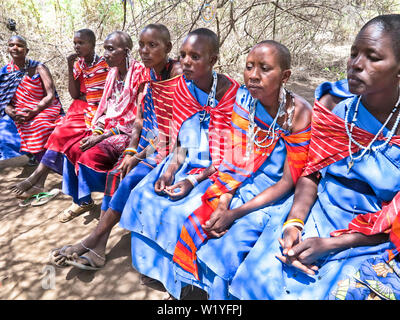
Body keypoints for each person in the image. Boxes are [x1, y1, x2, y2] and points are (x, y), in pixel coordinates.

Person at [228, 14, 400, 300]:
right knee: (261, 271)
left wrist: (332, 245)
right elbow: (311, 173)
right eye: (354, 53)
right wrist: (294, 223)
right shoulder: (338, 113)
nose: (356, 64)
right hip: (318, 211)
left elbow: (395, 222)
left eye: (373, 57)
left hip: (372, 235)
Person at [171, 40, 313, 299]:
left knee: (227, 247)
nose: (253, 76)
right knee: (195, 223)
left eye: (264, 69)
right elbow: (234, 158)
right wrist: (224, 204)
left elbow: (288, 181)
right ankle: (187, 291)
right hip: (238, 181)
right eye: (249, 67)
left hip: (273, 195)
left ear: (285, 76)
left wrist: (235, 213)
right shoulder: (244, 100)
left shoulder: (298, 113)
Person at [118, 28, 240, 299]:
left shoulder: (232, 95)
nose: (185, 61)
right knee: (144, 195)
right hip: (185, 162)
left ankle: (186, 284)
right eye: (183, 55)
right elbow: (181, 141)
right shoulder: (183, 88)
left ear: (213, 59)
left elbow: (231, 156)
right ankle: (156, 271)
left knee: (182, 211)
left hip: (217, 170)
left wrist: (192, 180)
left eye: (195, 56)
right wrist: (171, 170)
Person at [49, 24, 182, 269]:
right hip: (150, 140)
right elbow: (141, 119)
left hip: (174, 145)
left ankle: (93, 240)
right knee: (116, 172)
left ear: (168, 48)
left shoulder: (177, 75)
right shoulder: (150, 74)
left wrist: (140, 154)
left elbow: (175, 132)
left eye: (152, 45)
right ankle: (99, 245)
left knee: (129, 176)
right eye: (142, 45)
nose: (144, 51)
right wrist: (132, 151)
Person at [9, 29, 109, 202]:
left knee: (60, 133)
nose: (77, 46)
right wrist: (70, 67)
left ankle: (37, 178)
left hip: (98, 109)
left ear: (92, 44)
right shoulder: (79, 65)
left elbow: (108, 94)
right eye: (75, 43)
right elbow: (74, 94)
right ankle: (40, 181)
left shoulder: (104, 65)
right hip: (79, 106)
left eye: (81, 43)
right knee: (58, 132)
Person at [58, 31, 146, 221]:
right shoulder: (112, 73)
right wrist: (98, 131)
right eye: (105, 48)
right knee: (71, 150)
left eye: (111, 49)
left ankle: (114, 201)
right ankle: (82, 200)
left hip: (128, 133)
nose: (106, 53)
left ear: (126, 52)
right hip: (108, 128)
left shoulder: (140, 74)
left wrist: (102, 136)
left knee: (89, 157)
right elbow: (105, 109)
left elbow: (136, 119)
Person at [0, 35, 62, 167]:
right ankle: (30, 153)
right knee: (3, 131)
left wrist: (34, 111)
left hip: (43, 107)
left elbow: (50, 95)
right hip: (18, 111)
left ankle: (43, 159)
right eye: (11, 45)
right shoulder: (5, 72)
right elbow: (4, 100)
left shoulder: (39, 68)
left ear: (27, 50)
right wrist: (12, 113)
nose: (15, 48)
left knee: (40, 126)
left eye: (19, 45)